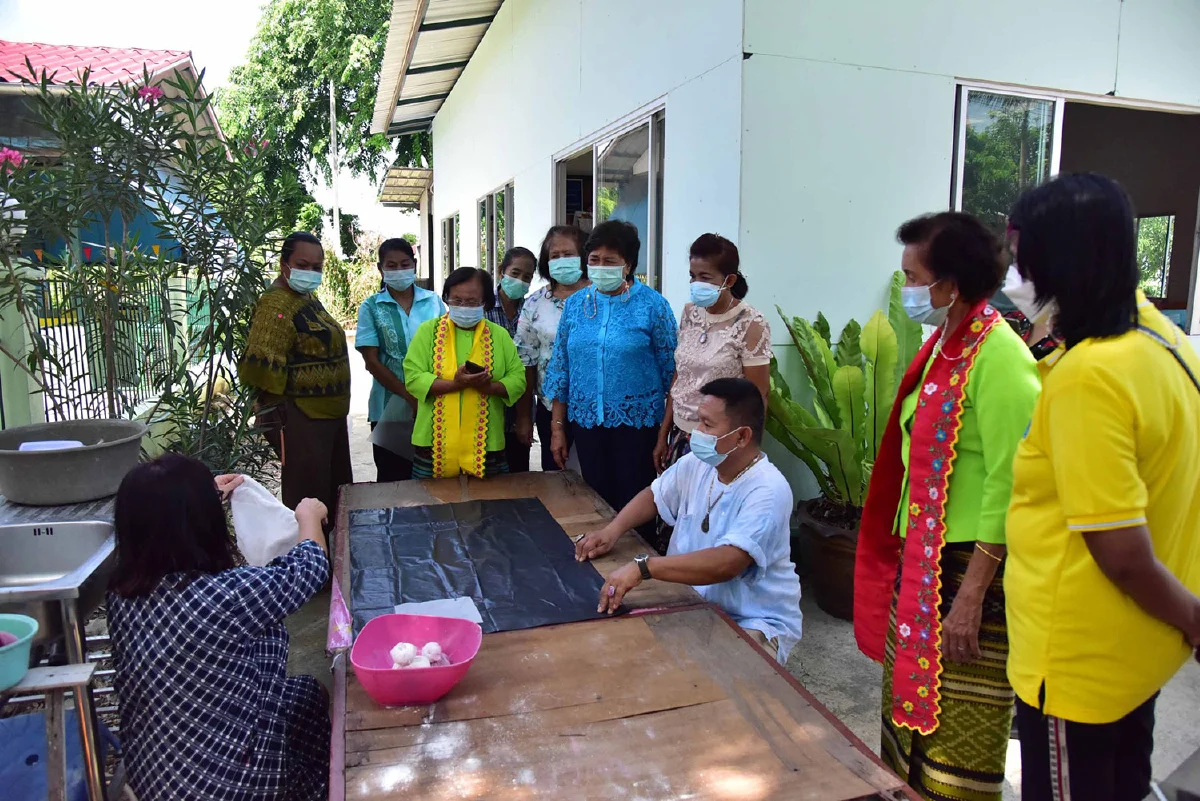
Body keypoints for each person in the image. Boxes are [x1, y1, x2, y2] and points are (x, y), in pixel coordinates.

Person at [1004, 174, 1200, 801]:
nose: (1014, 273)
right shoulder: (1164, 340)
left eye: (1020, 254)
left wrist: (1196, 621)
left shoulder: (1091, 377)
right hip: (1136, 651)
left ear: (1059, 258)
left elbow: (1120, 553)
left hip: (1076, 665)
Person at [854, 212, 1041, 801]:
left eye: (914, 277)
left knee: (958, 737)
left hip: (969, 575)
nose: (907, 289)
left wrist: (971, 595)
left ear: (951, 284)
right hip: (925, 565)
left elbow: (1015, 483)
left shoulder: (1000, 356)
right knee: (907, 722)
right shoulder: (944, 346)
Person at [106, 454, 331, 801]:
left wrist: (202, 494)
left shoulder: (122, 596)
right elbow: (309, 567)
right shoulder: (222, 595)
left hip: (156, 778)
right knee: (313, 699)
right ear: (203, 524)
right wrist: (309, 516)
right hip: (233, 785)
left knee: (305, 694)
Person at [574, 378, 803, 662]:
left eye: (707, 425)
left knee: (705, 680)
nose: (697, 433)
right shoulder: (699, 463)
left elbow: (726, 563)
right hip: (691, 601)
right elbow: (655, 495)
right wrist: (611, 531)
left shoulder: (768, 490)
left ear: (742, 437)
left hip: (752, 619)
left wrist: (644, 568)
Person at [544, 220, 677, 525]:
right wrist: (557, 429)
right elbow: (561, 371)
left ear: (628, 265)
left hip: (638, 427)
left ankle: (636, 568)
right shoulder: (576, 305)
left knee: (634, 505)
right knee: (594, 503)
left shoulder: (653, 307)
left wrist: (664, 434)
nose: (600, 267)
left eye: (610, 261)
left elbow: (674, 374)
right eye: (594, 260)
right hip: (587, 425)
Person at [651, 233, 772, 553]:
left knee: (711, 526)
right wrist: (665, 433)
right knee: (675, 522)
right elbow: (681, 375)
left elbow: (758, 395)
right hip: (681, 434)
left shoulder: (751, 323)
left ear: (729, 279)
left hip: (721, 445)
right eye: (692, 275)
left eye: (705, 277)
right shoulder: (690, 312)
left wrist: (743, 455)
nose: (696, 283)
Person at [239, 231, 352, 526]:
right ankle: (310, 561)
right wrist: (281, 421)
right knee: (309, 500)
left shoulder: (305, 297)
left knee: (333, 496)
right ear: (284, 264)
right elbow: (261, 368)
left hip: (327, 418)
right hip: (301, 419)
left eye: (317, 267)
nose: (311, 272)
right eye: (303, 264)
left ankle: (334, 562)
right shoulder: (275, 305)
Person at [402, 267, 526, 478]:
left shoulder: (500, 335)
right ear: (447, 298)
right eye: (456, 300)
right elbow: (413, 377)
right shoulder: (427, 331)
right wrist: (455, 384)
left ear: (485, 303)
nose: (463, 306)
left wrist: (490, 387)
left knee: (488, 506)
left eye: (471, 302)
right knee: (433, 506)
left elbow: (518, 379)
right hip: (434, 441)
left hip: (486, 443)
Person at [355, 238, 446, 482]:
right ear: (380, 269)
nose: (398, 270)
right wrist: (409, 396)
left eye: (404, 264)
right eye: (391, 265)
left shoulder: (433, 301)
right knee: (392, 478)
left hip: (433, 401)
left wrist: (424, 396)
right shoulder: (371, 307)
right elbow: (372, 362)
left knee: (434, 476)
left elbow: (447, 348)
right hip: (388, 408)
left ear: (414, 265)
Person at [513, 226, 589, 470]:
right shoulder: (535, 303)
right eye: (554, 256)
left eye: (568, 254)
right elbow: (526, 360)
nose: (561, 261)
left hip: (597, 409)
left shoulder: (602, 296)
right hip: (549, 407)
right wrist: (525, 417)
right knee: (557, 479)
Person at [485, 246, 537, 472]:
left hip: (521, 403)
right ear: (501, 271)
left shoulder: (532, 310)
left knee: (518, 469)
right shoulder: (482, 306)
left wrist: (525, 417)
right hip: (486, 402)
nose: (520, 281)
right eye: (515, 273)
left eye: (527, 277)